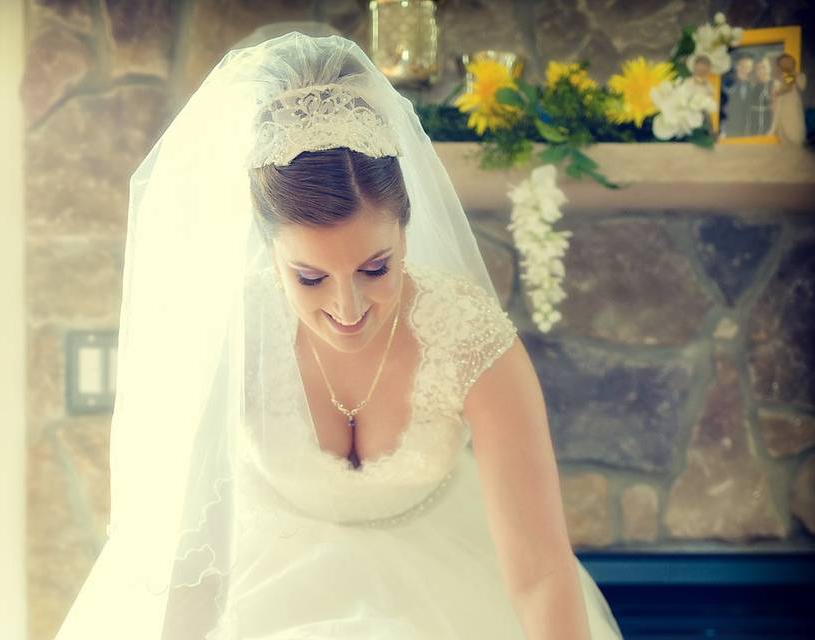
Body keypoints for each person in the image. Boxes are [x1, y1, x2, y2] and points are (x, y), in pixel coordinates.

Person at [53, 32, 624, 639]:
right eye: (310, 277)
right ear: (270, 253)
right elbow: (193, 569)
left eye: (375, 268)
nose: (347, 306)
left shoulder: (470, 337)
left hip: (447, 584)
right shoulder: (234, 334)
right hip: (266, 581)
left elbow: (539, 573)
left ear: (406, 227)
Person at [770, 52, 808, 144]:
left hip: (792, 108)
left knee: (794, 130)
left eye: (787, 62)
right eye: (782, 63)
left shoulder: (797, 75)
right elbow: (779, 90)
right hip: (781, 108)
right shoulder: (780, 77)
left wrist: (793, 75)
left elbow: (790, 88)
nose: (785, 64)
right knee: (783, 134)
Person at [721, 53, 755, 137]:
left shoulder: (752, 86)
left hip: (747, 131)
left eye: (750, 67)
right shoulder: (727, 83)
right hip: (728, 130)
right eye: (745, 66)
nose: (748, 70)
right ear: (737, 66)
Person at [748, 55, 774, 136]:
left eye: (765, 67)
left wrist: (771, 131)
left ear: (770, 68)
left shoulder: (775, 85)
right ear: (755, 71)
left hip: (769, 131)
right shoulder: (753, 86)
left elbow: (777, 113)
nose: (763, 70)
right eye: (759, 68)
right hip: (753, 131)